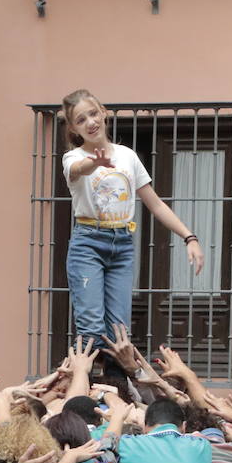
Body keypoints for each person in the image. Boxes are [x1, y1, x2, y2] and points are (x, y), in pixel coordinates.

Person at [60, 88, 204, 352]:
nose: (90, 122)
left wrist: (189, 237)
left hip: (122, 244)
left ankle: (116, 389)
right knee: (91, 328)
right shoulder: (74, 158)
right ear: (73, 127)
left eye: (93, 114)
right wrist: (95, 163)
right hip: (88, 244)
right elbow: (77, 171)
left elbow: (156, 204)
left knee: (119, 332)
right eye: (81, 120)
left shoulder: (127, 156)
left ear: (103, 113)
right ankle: (86, 387)